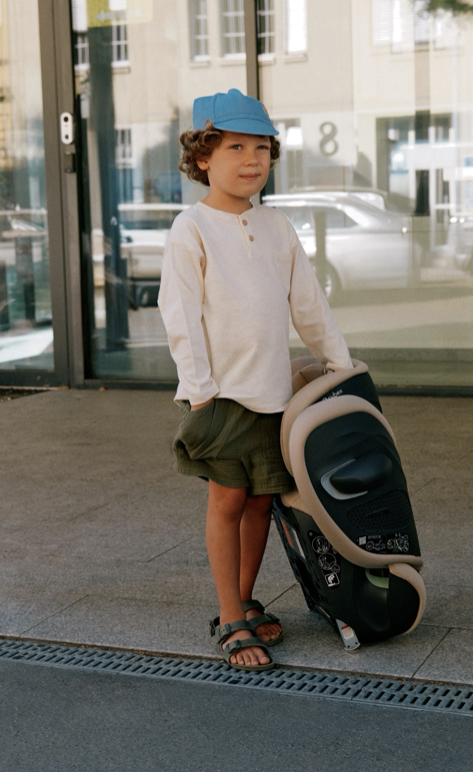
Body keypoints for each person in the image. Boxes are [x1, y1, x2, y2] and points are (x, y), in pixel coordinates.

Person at [159, 89, 351, 671]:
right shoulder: (191, 229)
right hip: (220, 396)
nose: (251, 159)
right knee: (228, 500)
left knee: (262, 502)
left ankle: (242, 599)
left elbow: (308, 303)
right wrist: (200, 390)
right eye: (235, 147)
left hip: (275, 394)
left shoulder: (276, 227)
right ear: (202, 158)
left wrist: (341, 364)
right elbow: (181, 313)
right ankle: (229, 618)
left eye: (261, 148)